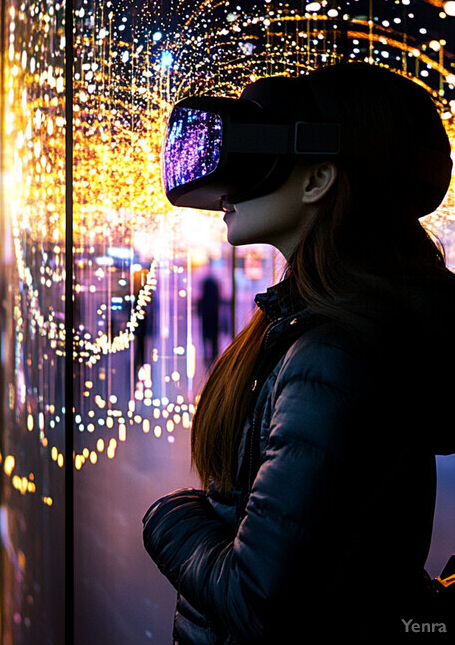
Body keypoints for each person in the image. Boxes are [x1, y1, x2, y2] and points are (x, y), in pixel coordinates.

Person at [144, 62, 455, 643]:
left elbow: (257, 600)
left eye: (255, 162)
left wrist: (168, 519)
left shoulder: (333, 357)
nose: (226, 190)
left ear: (317, 180)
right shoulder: (327, 331)